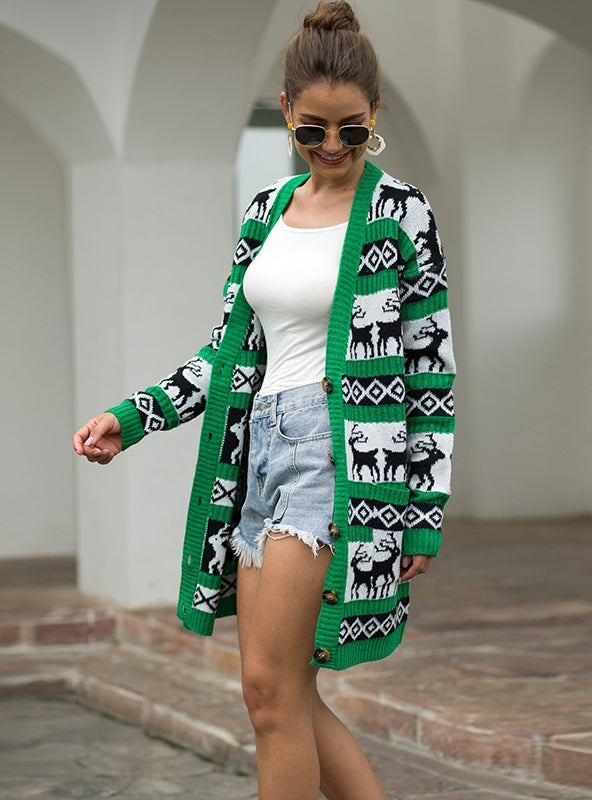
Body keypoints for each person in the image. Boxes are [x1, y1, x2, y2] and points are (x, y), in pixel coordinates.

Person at [73, 2, 455, 798]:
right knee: (276, 693)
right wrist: (133, 416)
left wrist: (423, 509)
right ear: (285, 110)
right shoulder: (265, 214)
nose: (332, 146)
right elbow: (227, 356)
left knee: (272, 691)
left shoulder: (401, 214)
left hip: (338, 459)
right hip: (260, 454)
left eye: (352, 129)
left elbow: (430, 372)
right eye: (312, 129)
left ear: (375, 112)